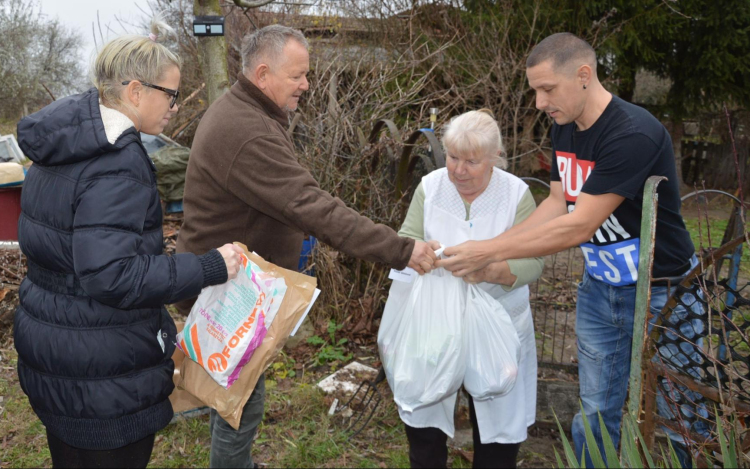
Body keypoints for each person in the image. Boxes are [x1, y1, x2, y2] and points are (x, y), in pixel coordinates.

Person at [174, 24, 438, 468]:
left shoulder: (249, 112)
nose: (306, 84)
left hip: (227, 282)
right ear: (262, 74)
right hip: (225, 293)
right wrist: (400, 249)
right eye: (297, 75)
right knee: (241, 401)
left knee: (232, 390)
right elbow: (310, 205)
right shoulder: (248, 130)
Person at [437, 33, 697, 466]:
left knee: (679, 416)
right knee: (596, 411)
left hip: (665, 291)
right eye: (535, 90)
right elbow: (559, 203)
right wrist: (496, 249)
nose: (539, 103)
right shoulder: (564, 128)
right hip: (602, 290)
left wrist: (487, 249)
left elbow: (579, 224)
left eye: (547, 89)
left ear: (583, 75)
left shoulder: (633, 133)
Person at [14, 16, 243, 469]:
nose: (175, 107)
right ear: (136, 92)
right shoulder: (116, 161)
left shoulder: (64, 143)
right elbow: (111, 275)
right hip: (103, 370)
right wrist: (211, 266)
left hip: (56, 353)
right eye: (171, 95)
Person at [391, 109, 544, 469]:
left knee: (497, 434)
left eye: (471, 161)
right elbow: (406, 240)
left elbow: (534, 261)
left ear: (494, 158)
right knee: (425, 426)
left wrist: (491, 270)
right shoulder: (430, 188)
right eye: (453, 157)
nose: (458, 170)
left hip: (499, 323)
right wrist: (420, 255)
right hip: (435, 323)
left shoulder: (516, 195)